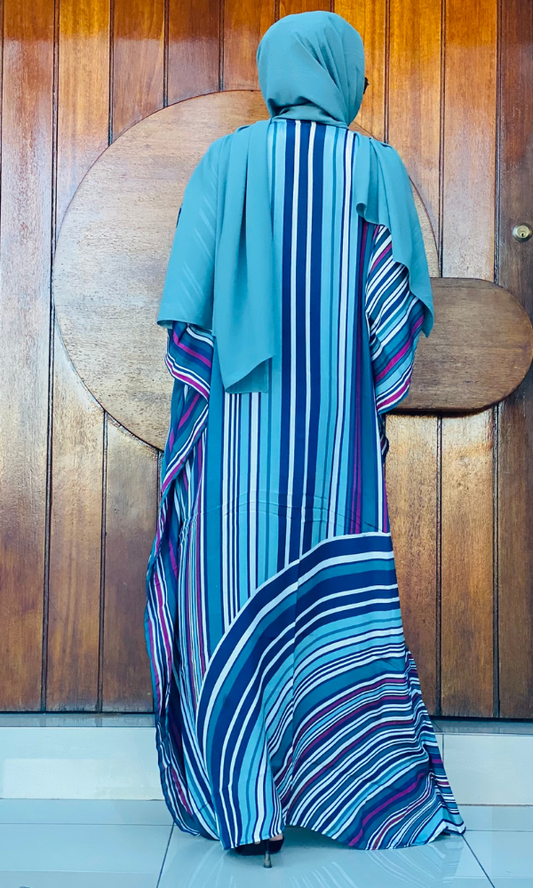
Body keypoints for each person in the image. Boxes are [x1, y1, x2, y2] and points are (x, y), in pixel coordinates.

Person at [145, 10, 466, 868]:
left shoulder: (224, 160)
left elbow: (188, 317)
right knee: (335, 594)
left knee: (229, 587)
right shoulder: (374, 166)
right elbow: (391, 329)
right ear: (342, 71)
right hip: (334, 441)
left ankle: (246, 803)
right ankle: (355, 790)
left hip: (235, 438)